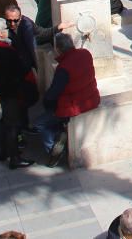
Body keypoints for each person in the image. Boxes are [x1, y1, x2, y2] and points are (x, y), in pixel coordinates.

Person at [0, 18, 36, 169]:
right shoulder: (4, 52)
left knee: (5, 120)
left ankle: (4, 151)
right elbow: (19, 70)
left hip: (1, 88)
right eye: (4, 28)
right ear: (0, 33)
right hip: (11, 91)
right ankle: (14, 157)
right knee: (12, 124)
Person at [36, 33, 101, 167]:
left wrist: (47, 104)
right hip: (92, 99)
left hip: (71, 107)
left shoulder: (63, 68)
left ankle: (53, 148)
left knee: (40, 124)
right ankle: (61, 132)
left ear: (58, 49)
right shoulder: (85, 54)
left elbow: (53, 93)